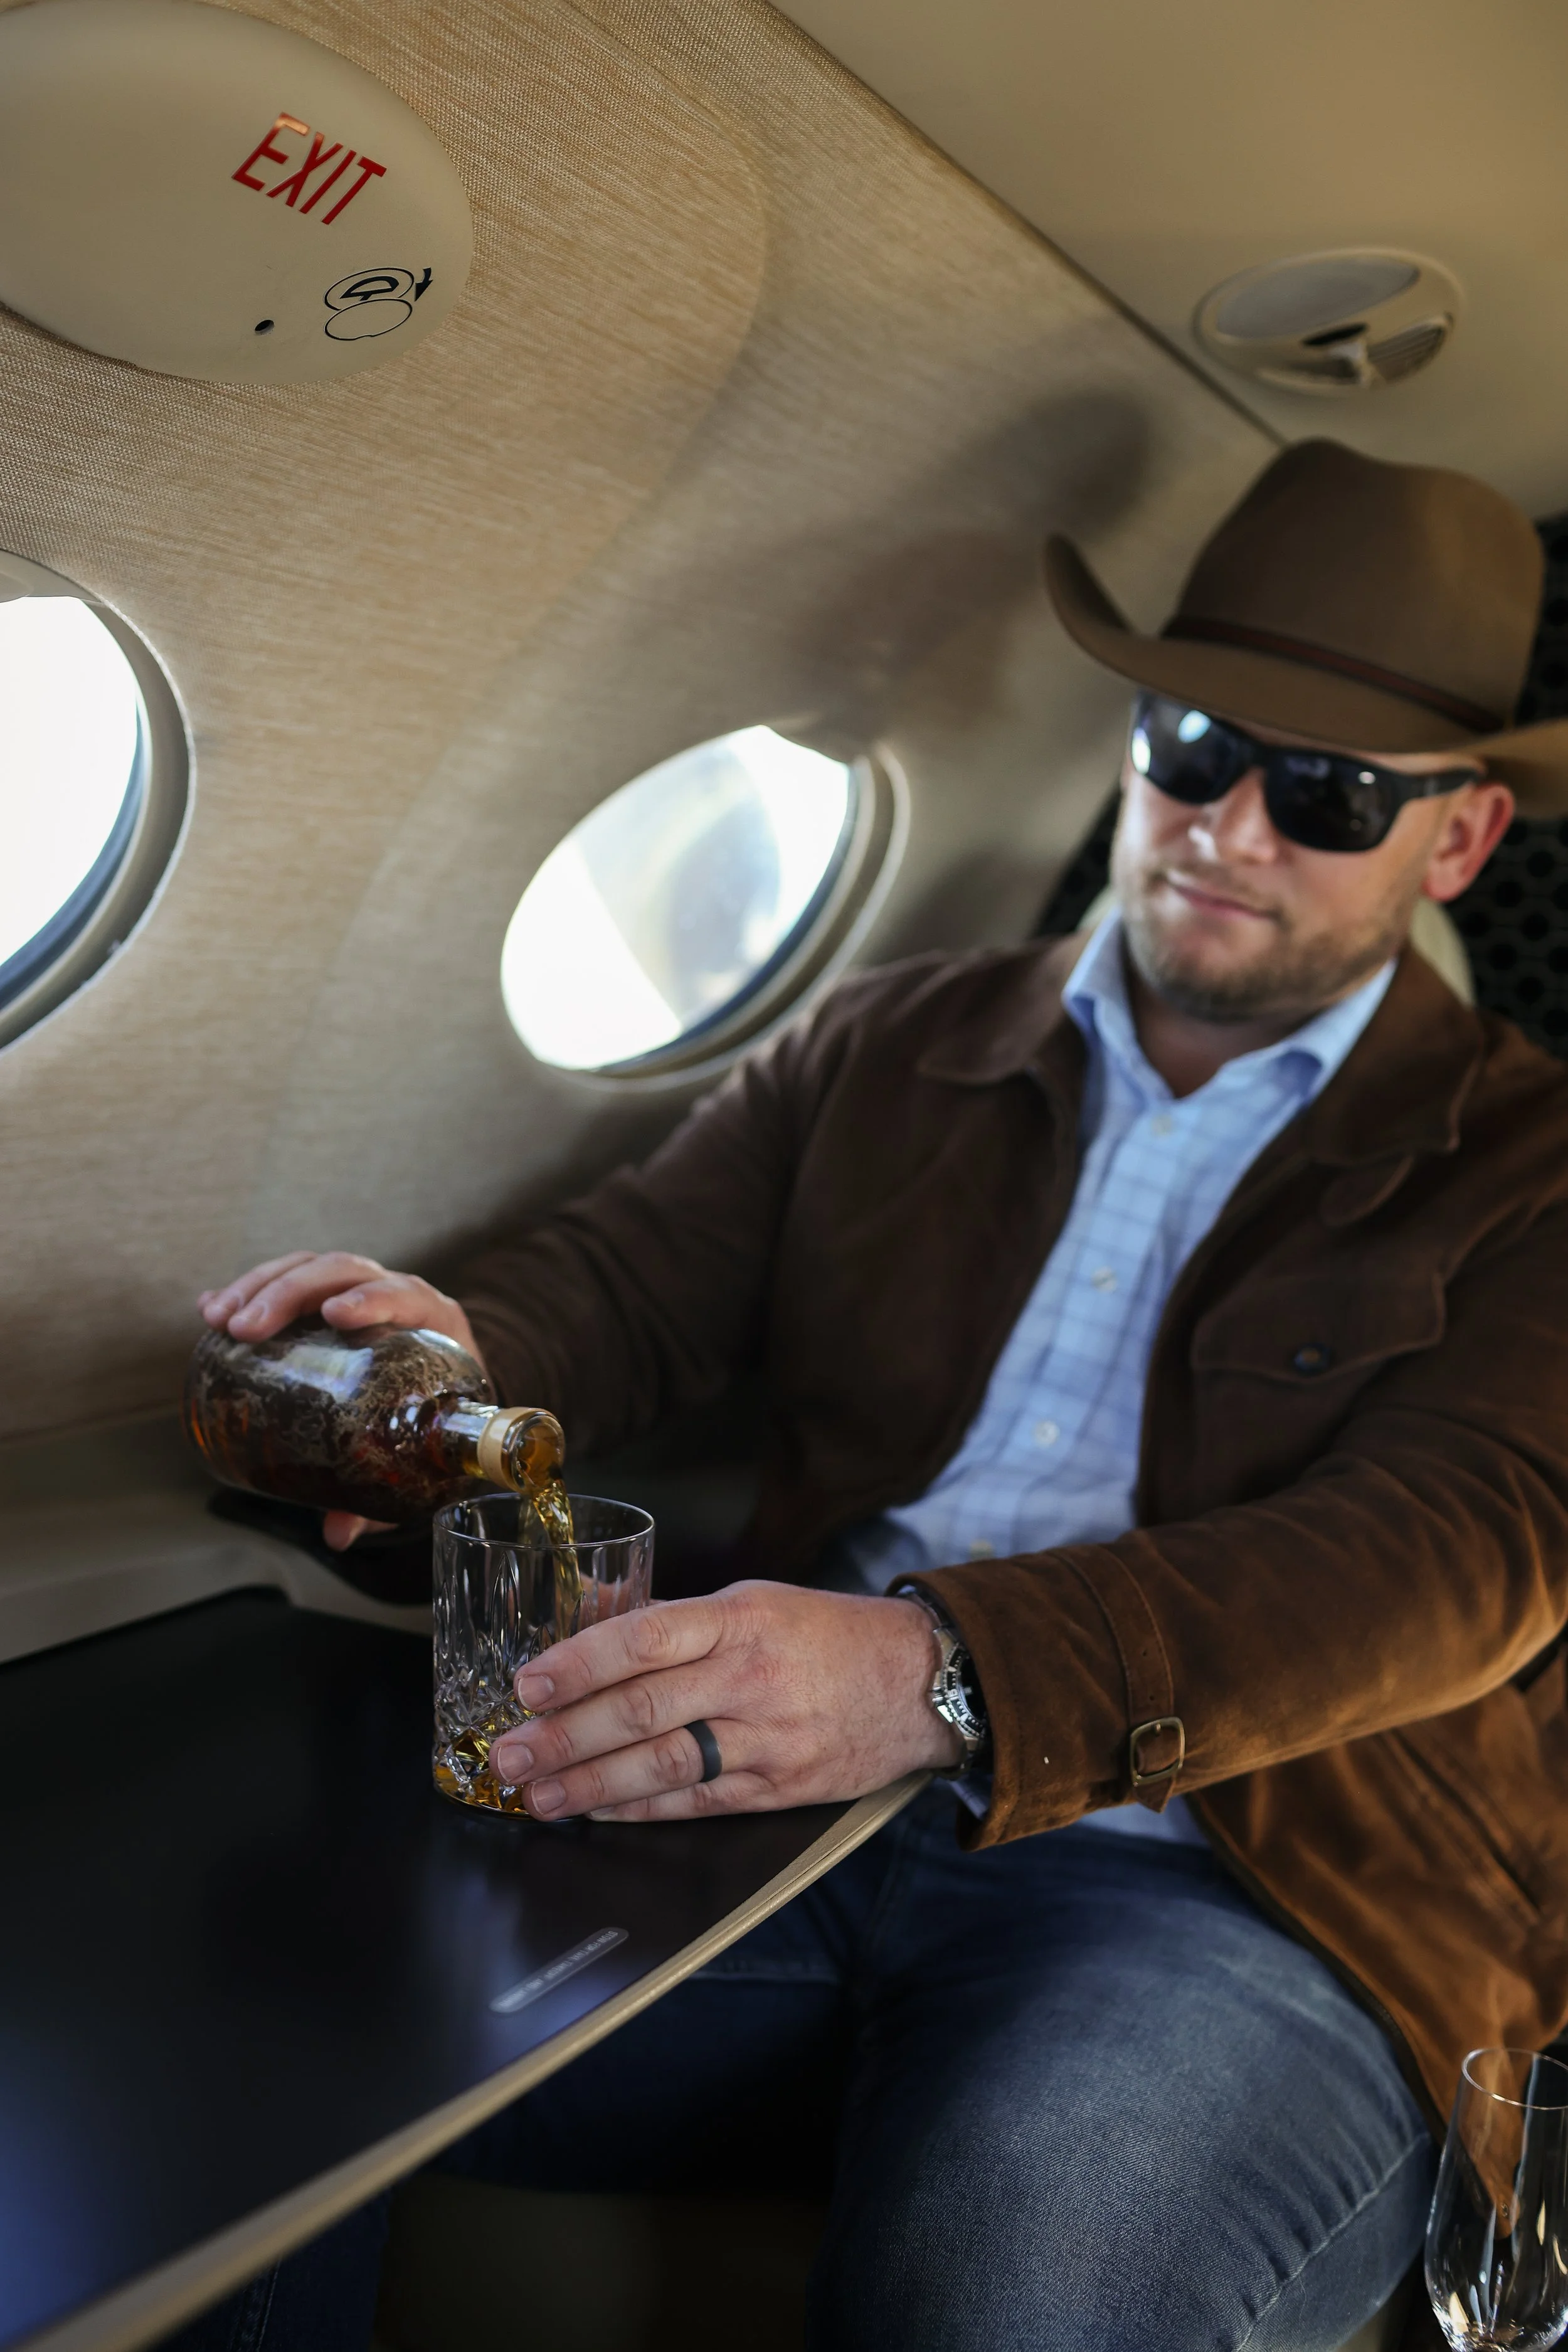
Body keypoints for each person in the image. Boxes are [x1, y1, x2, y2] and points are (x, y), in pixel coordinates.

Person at [186, 440, 1568, 2352]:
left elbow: (1457, 1553)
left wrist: (939, 1674)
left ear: (1458, 841)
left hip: (1243, 1897)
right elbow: (621, 1284)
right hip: (775, 1826)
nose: (1227, 825)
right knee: (245, 2057)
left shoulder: (1531, 1165)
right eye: (1188, 744)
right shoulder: (888, 1036)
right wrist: (444, 1354)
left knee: (1008, 2303)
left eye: (1324, 792)